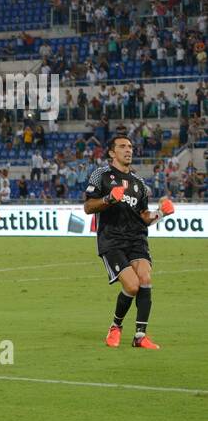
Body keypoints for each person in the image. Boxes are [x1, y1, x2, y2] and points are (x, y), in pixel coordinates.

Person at [83, 136, 175, 349]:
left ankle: (140, 336)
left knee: (144, 277)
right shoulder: (101, 175)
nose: (128, 150)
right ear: (112, 153)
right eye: (122, 146)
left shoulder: (139, 183)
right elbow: (88, 207)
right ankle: (116, 326)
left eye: (131, 147)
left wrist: (161, 213)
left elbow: (143, 215)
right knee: (132, 286)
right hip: (112, 240)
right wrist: (108, 199)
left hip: (136, 238)